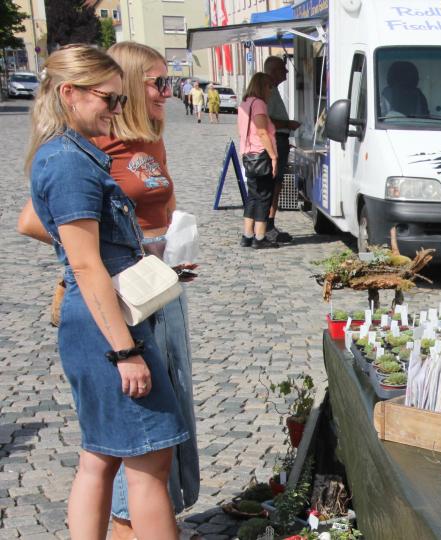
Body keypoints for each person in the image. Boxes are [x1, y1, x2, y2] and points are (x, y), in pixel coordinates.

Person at [17, 42, 202, 540]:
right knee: (149, 459)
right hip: (108, 324)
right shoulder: (69, 162)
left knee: (99, 455)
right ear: (69, 93)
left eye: (121, 98)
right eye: (109, 98)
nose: (117, 110)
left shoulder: (75, 153)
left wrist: (152, 258)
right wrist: (125, 351)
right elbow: (84, 263)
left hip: (104, 318)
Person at [237, 72, 280, 249]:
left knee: (253, 196)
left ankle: (247, 235)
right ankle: (260, 237)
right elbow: (262, 132)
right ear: (262, 87)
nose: (271, 91)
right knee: (264, 197)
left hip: (248, 154)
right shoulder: (259, 104)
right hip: (261, 154)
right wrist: (273, 156)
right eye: (269, 87)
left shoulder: (245, 103)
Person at [262, 56, 300, 243]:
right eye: (282, 68)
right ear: (274, 71)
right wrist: (287, 124)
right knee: (273, 185)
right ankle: (267, 227)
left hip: (280, 139)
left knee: (276, 185)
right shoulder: (267, 91)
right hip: (275, 140)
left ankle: (269, 225)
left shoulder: (273, 89)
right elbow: (267, 121)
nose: (286, 71)